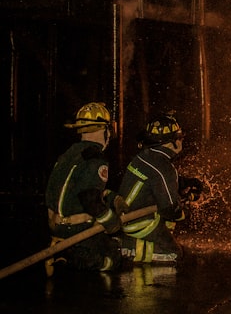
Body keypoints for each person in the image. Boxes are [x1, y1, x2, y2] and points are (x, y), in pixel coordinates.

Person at [44, 102, 124, 273]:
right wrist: (112, 223)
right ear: (104, 130)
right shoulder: (95, 158)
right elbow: (89, 198)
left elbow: (74, 189)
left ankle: (64, 250)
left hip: (55, 225)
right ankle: (72, 258)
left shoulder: (70, 153)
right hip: (76, 229)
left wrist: (113, 198)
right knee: (114, 257)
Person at [118, 112, 202, 264]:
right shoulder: (163, 166)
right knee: (175, 254)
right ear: (172, 141)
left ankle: (132, 244)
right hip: (140, 223)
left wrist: (186, 182)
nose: (182, 141)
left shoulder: (147, 156)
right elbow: (169, 209)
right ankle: (135, 250)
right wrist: (186, 207)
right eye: (180, 137)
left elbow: (156, 181)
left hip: (127, 218)